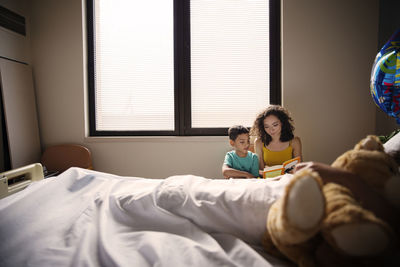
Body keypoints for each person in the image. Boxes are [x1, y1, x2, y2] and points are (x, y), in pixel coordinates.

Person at [250, 105, 302, 172]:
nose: (271, 130)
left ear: (282, 123)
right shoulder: (259, 142)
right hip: (268, 179)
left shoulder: (295, 141)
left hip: (288, 178)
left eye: (275, 125)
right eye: (266, 127)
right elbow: (260, 169)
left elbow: (299, 166)